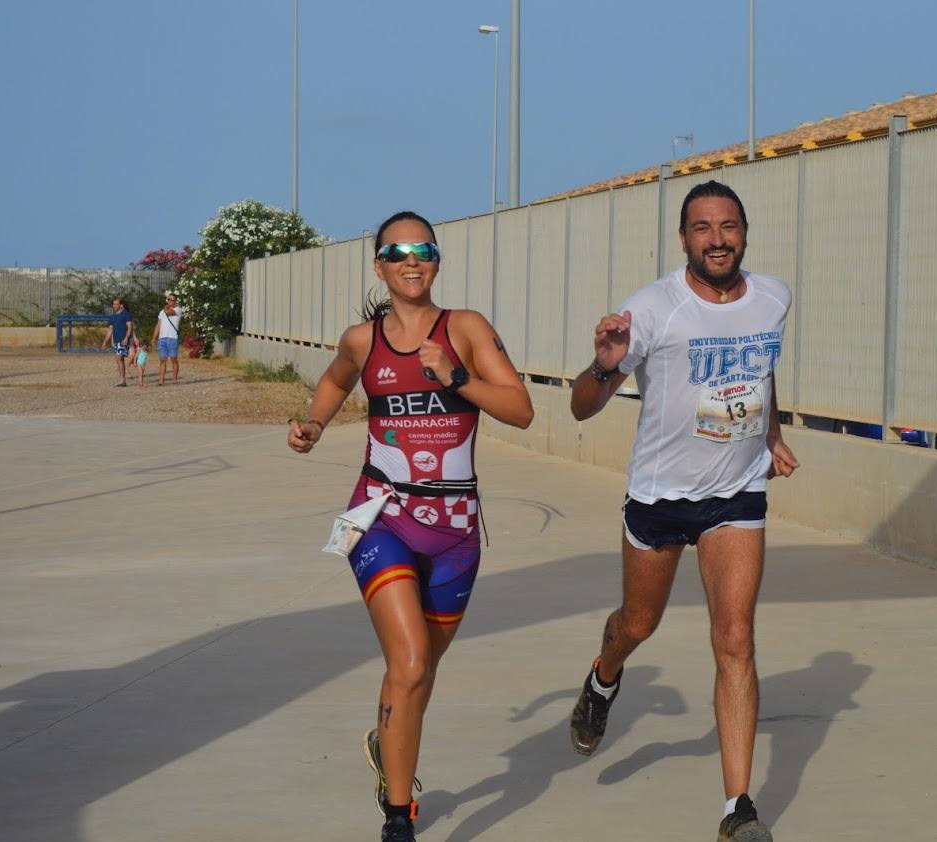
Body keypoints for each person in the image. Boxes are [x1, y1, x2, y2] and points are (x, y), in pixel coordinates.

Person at [286, 210, 533, 842]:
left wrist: (456, 377)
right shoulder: (362, 340)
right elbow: (337, 379)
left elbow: (521, 410)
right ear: (380, 266)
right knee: (413, 659)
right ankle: (399, 820)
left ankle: (384, 737)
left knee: (417, 675)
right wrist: (312, 424)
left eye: (423, 249)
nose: (411, 260)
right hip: (379, 517)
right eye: (397, 252)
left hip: (455, 531)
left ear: (437, 261)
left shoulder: (467, 329)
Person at [566, 180, 798, 842]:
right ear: (684, 239)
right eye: (703, 228)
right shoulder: (653, 309)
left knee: (735, 638)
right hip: (661, 496)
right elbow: (583, 405)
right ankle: (603, 679)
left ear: (745, 233)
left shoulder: (773, 296)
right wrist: (605, 366)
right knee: (638, 623)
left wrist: (772, 435)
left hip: (737, 492)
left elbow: (762, 369)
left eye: (728, 226)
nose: (717, 238)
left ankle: (737, 809)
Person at [99, 297, 134, 387]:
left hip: (123, 340)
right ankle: (122, 379)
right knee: (118, 360)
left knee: (119, 358)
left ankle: (122, 380)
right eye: (113, 304)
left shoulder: (126, 314)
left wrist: (126, 338)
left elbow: (130, 327)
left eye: (116, 304)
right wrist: (105, 342)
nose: (114, 306)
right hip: (117, 341)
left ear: (121, 305)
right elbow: (110, 330)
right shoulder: (113, 317)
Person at [151, 293, 183, 386]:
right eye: (169, 299)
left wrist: (166, 307)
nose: (170, 301)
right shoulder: (162, 312)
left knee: (173, 359)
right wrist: (154, 337)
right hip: (162, 338)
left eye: (172, 300)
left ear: (176, 301)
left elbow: (169, 312)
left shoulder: (178, 310)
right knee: (162, 360)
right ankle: (161, 379)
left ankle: (174, 379)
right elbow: (158, 325)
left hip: (173, 337)